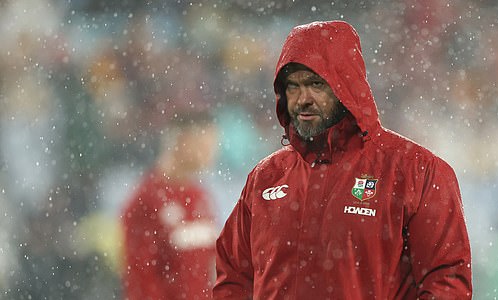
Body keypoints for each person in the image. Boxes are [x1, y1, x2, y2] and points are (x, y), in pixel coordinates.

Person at [213, 20, 472, 299]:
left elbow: (446, 281)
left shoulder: (417, 171)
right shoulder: (265, 178)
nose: (303, 99)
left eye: (316, 84)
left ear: (345, 84)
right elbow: (233, 277)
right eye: (293, 86)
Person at [121, 115, 219, 299]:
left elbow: (211, 266)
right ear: (183, 142)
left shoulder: (201, 197)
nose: (211, 153)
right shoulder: (145, 200)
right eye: (205, 145)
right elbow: (140, 278)